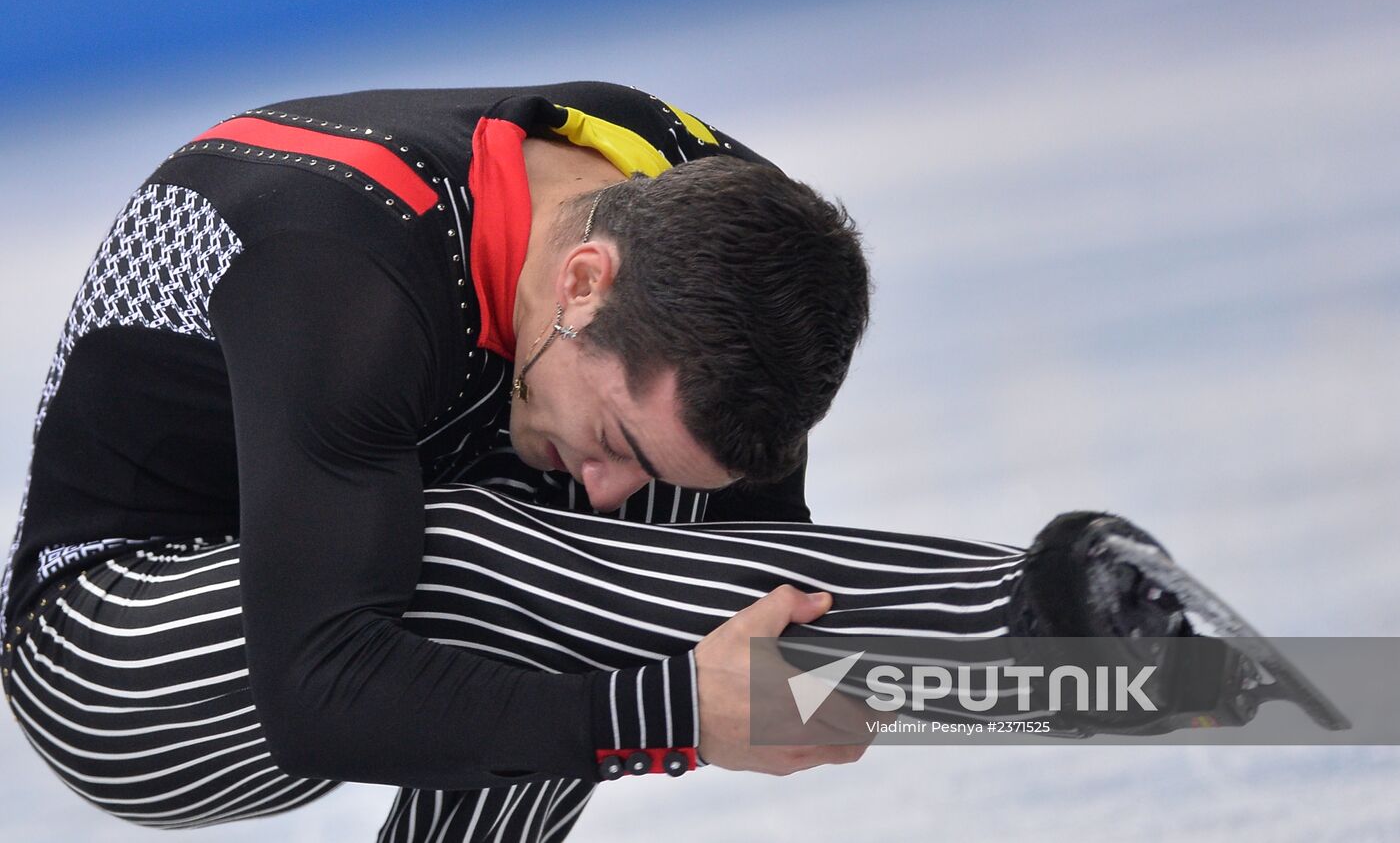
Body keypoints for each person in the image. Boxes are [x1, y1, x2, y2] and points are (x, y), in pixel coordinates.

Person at [0, 82, 1190, 842]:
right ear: (581, 280)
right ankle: (1022, 613)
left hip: (382, 566)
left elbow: (728, 583)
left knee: (610, 547)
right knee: (469, 552)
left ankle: (1034, 640)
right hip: (121, 653)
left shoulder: (724, 229)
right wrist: (672, 708)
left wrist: (803, 673)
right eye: (617, 436)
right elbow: (320, 692)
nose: (606, 482)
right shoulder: (340, 272)